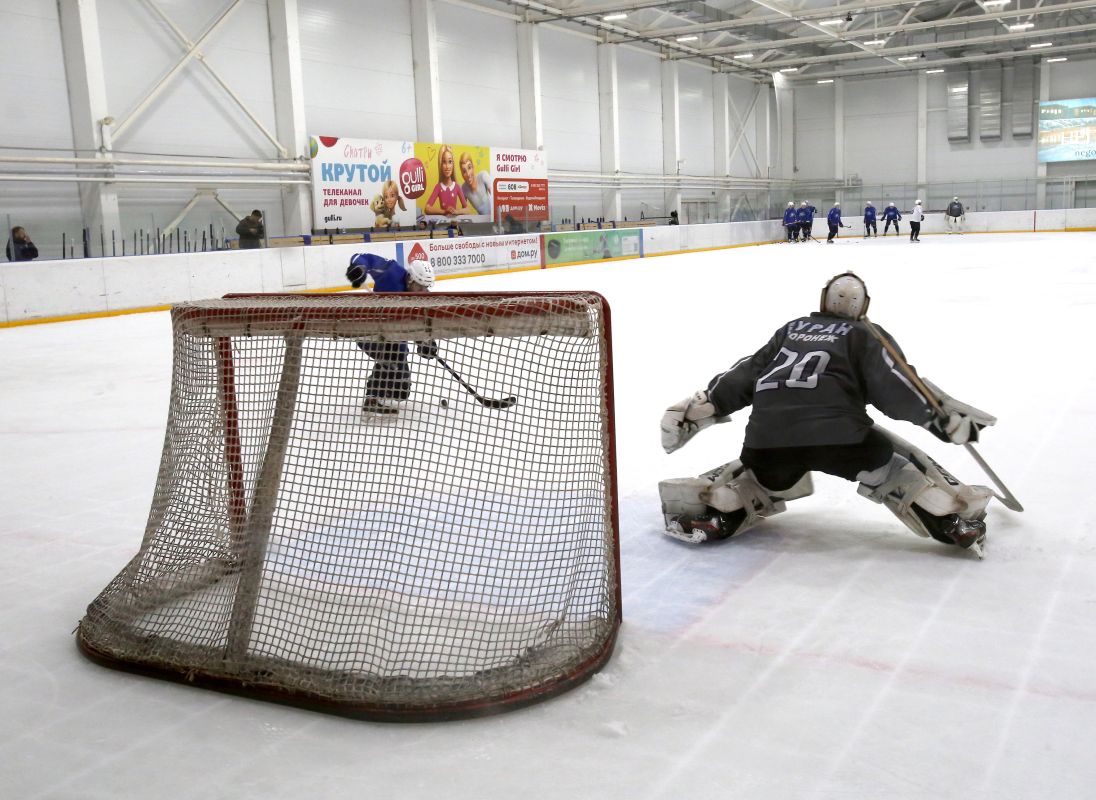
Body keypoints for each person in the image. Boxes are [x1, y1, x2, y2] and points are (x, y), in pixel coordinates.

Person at [658, 271, 997, 557]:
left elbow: (745, 374)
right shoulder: (865, 334)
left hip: (767, 442)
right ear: (862, 306)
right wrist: (938, 418)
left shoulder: (791, 330)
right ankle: (950, 520)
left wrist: (701, 408)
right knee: (893, 469)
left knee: (760, 475)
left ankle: (720, 509)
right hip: (842, 441)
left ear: (824, 300)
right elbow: (894, 387)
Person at [345, 251, 437, 417]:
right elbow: (363, 257)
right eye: (418, 286)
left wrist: (426, 342)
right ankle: (373, 399)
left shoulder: (421, 296)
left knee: (401, 391)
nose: (422, 291)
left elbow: (416, 324)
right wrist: (359, 267)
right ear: (410, 278)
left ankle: (385, 393)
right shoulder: (391, 272)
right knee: (391, 357)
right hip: (368, 329)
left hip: (393, 337)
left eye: (425, 288)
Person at [423, 145, 468, 217]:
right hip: (443, 221)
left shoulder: (456, 187)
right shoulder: (438, 187)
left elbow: (467, 209)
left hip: (454, 220)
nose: (447, 166)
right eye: (444, 162)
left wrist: (456, 212)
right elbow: (427, 208)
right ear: (440, 165)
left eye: (450, 162)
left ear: (453, 164)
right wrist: (444, 211)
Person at [458, 152, 492, 217]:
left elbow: (496, 199)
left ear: (473, 167)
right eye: (464, 171)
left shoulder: (483, 176)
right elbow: (464, 211)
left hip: (495, 217)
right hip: (482, 220)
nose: (468, 174)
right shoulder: (463, 189)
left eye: (469, 167)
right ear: (462, 174)